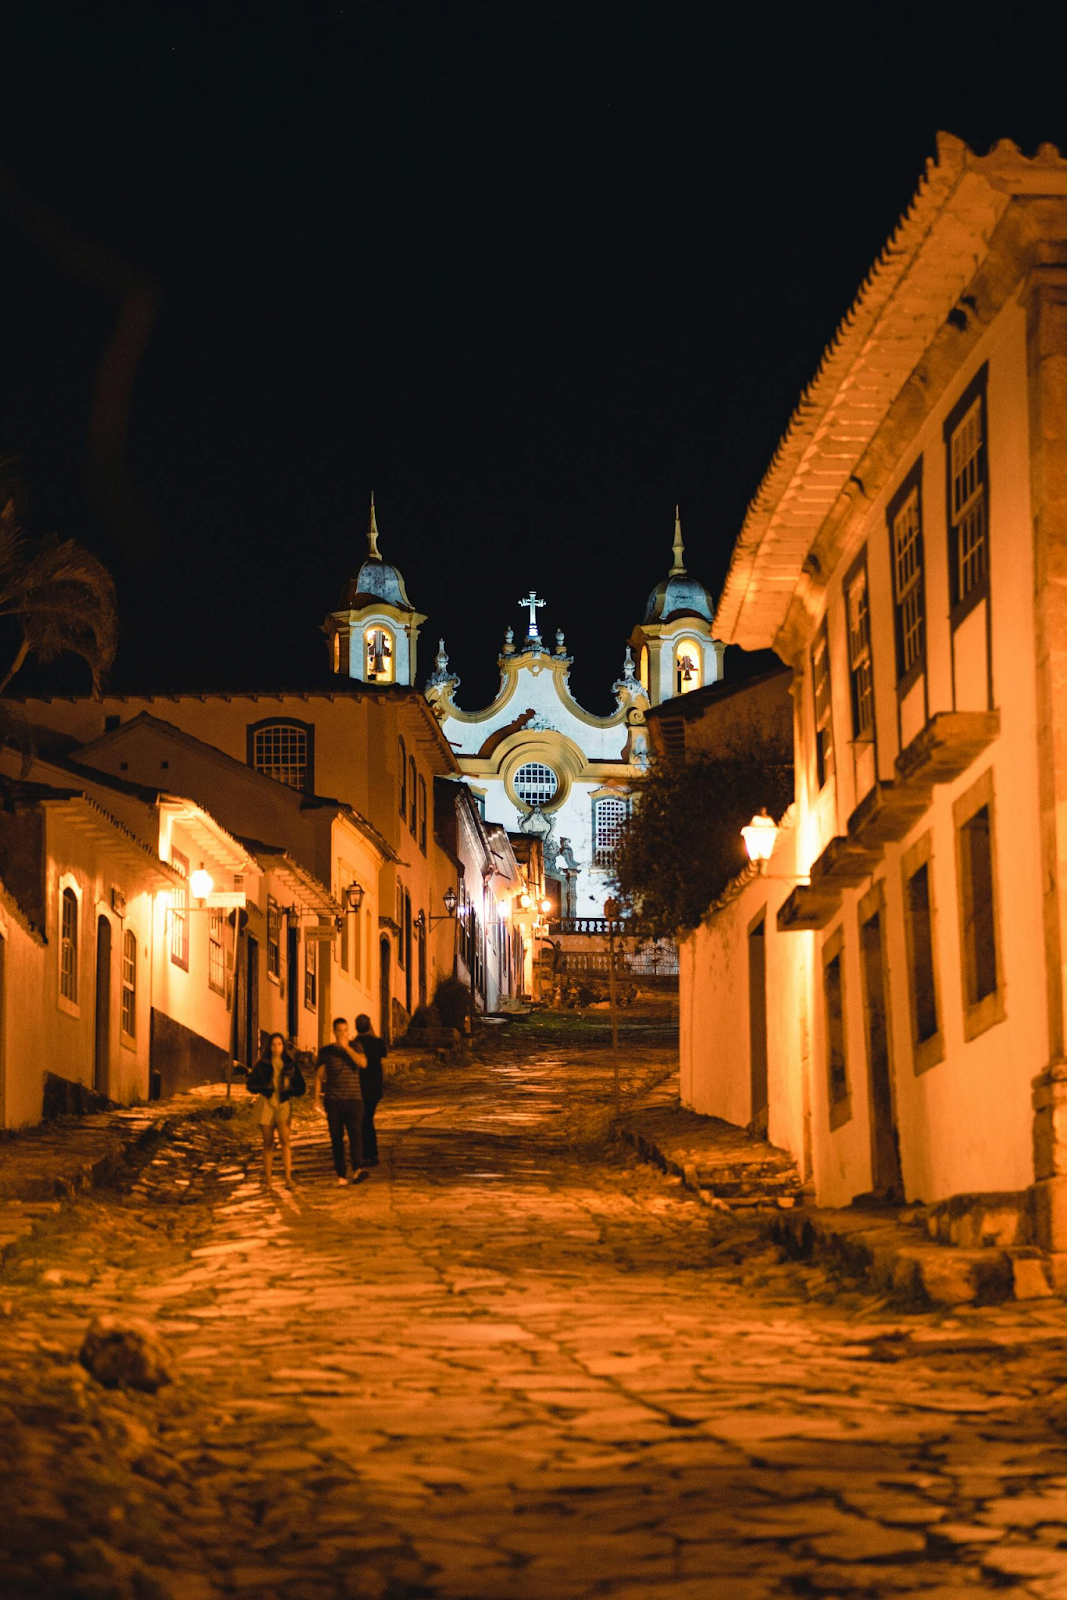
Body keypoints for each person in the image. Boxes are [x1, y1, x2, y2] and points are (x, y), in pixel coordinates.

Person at [246, 1033, 305, 1190]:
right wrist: (264, 1087)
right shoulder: (263, 1064)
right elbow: (250, 1085)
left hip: (283, 1104)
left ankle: (288, 1178)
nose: (276, 1048)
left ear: (283, 1046)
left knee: (285, 1141)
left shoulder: (290, 1064)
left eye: (279, 1044)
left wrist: (289, 1088)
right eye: (273, 1045)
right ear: (269, 1047)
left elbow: (301, 1088)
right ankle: (268, 1182)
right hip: (266, 1104)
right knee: (268, 1143)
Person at [313, 1018, 367, 1185]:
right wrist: (316, 1099)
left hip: (354, 1098)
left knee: (355, 1135)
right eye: (339, 1030)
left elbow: (363, 1063)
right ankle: (342, 1175)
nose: (342, 1033)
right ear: (334, 1032)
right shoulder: (326, 1051)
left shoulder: (356, 1046)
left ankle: (357, 1169)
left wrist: (346, 1048)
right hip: (334, 1100)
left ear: (348, 1031)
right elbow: (319, 1076)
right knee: (336, 1138)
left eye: (345, 1030)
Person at [354, 1013, 387, 1167]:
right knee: (368, 1120)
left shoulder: (355, 1043)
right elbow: (384, 1053)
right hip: (374, 1088)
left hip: (359, 1087)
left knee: (363, 1121)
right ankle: (370, 1154)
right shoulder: (377, 1043)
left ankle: (366, 1154)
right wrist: (373, 1033)